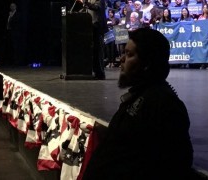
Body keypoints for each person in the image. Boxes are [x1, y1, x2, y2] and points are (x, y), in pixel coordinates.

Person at [82, 28, 193, 179]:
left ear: (147, 63)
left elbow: (174, 165)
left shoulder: (165, 105)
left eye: (129, 54)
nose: (121, 59)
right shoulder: (138, 96)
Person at [73, 0, 108, 80]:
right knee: (95, 51)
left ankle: (100, 74)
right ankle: (96, 73)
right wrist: (82, 2)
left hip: (98, 26)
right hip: (93, 27)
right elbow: (89, 8)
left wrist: (84, 1)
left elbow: (97, 8)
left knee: (98, 51)